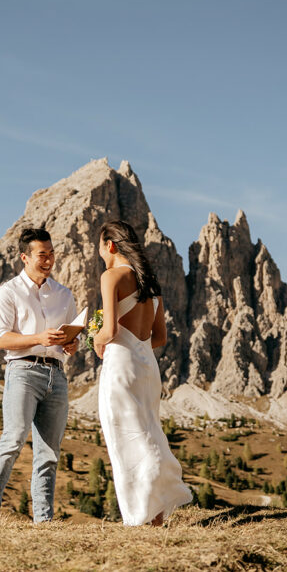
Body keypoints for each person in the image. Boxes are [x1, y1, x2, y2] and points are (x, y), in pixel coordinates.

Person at [0, 228, 79, 526]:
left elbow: (71, 339)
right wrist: (38, 338)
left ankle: (43, 521)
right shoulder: (9, 292)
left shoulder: (64, 294)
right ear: (25, 257)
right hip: (23, 372)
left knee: (49, 452)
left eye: (51, 253)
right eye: (41, 255)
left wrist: (72, 344)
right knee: (14, 438)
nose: (48, 260)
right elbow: (0, 339)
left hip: (57, 376)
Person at [92, 220, 191, 526]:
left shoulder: (112, 276)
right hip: (147, 366)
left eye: (100, 247)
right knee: (148, 431)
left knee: (124, 438)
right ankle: (156, 513)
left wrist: (95, 338)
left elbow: (108, 330)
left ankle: (138, 515)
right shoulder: (150, 284)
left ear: (110, 245)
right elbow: (159, 337)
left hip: (121, 365)